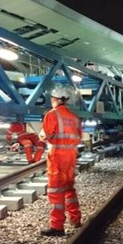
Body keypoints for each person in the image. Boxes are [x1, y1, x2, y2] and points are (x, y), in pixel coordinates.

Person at [39, 86, 82, 236]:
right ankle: (76, 219)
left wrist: (43, 136)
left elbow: (47, 135)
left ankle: (57, 226)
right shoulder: (74, 117)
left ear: (56, 100)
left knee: (56, 191)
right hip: (71, 156)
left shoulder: (52, 115)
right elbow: (78, 137)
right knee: (69, 188)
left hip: (57, 156)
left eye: (52, 99)